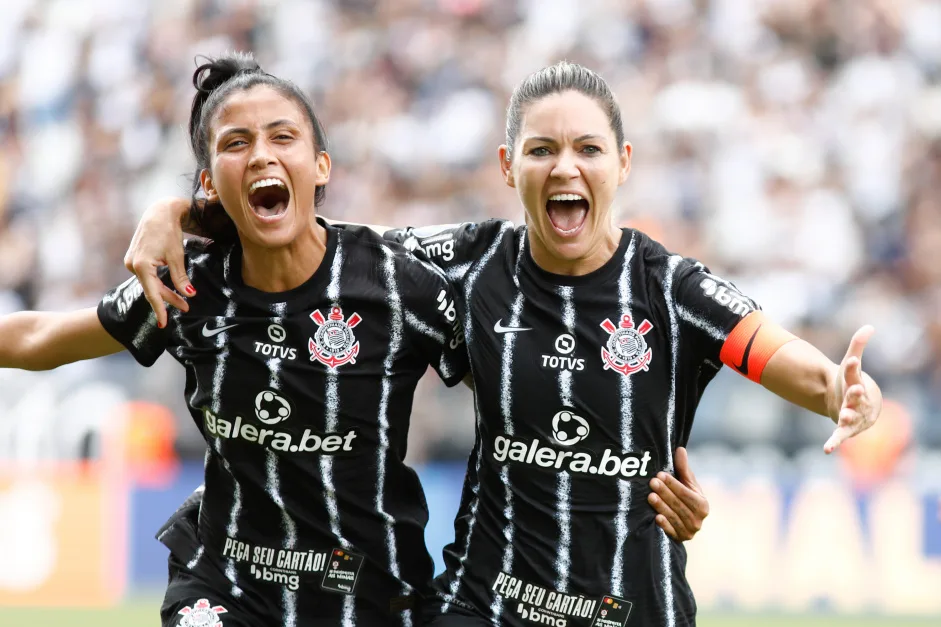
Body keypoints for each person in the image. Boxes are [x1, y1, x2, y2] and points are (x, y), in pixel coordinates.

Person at [125, 62, 882, 627]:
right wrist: (179, 212)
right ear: (507, 166)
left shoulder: (672, 289)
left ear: (621, 163)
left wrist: (840, 390)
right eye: (542, 149)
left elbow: (780, 356)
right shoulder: (460, 262)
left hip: (633, 604)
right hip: (484, 602)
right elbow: (307, 241)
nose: (564, 167)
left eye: (587, 148)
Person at [0, 53, 476, 627]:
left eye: (283, 137)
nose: (262, 155)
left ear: (321, 166)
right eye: (235, 143)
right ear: (208, 184)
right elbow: (39, 337)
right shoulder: (185, 284)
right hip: (227, 587)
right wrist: (170, 215)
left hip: (370, 596)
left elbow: (508, 389)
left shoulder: (397, 285)